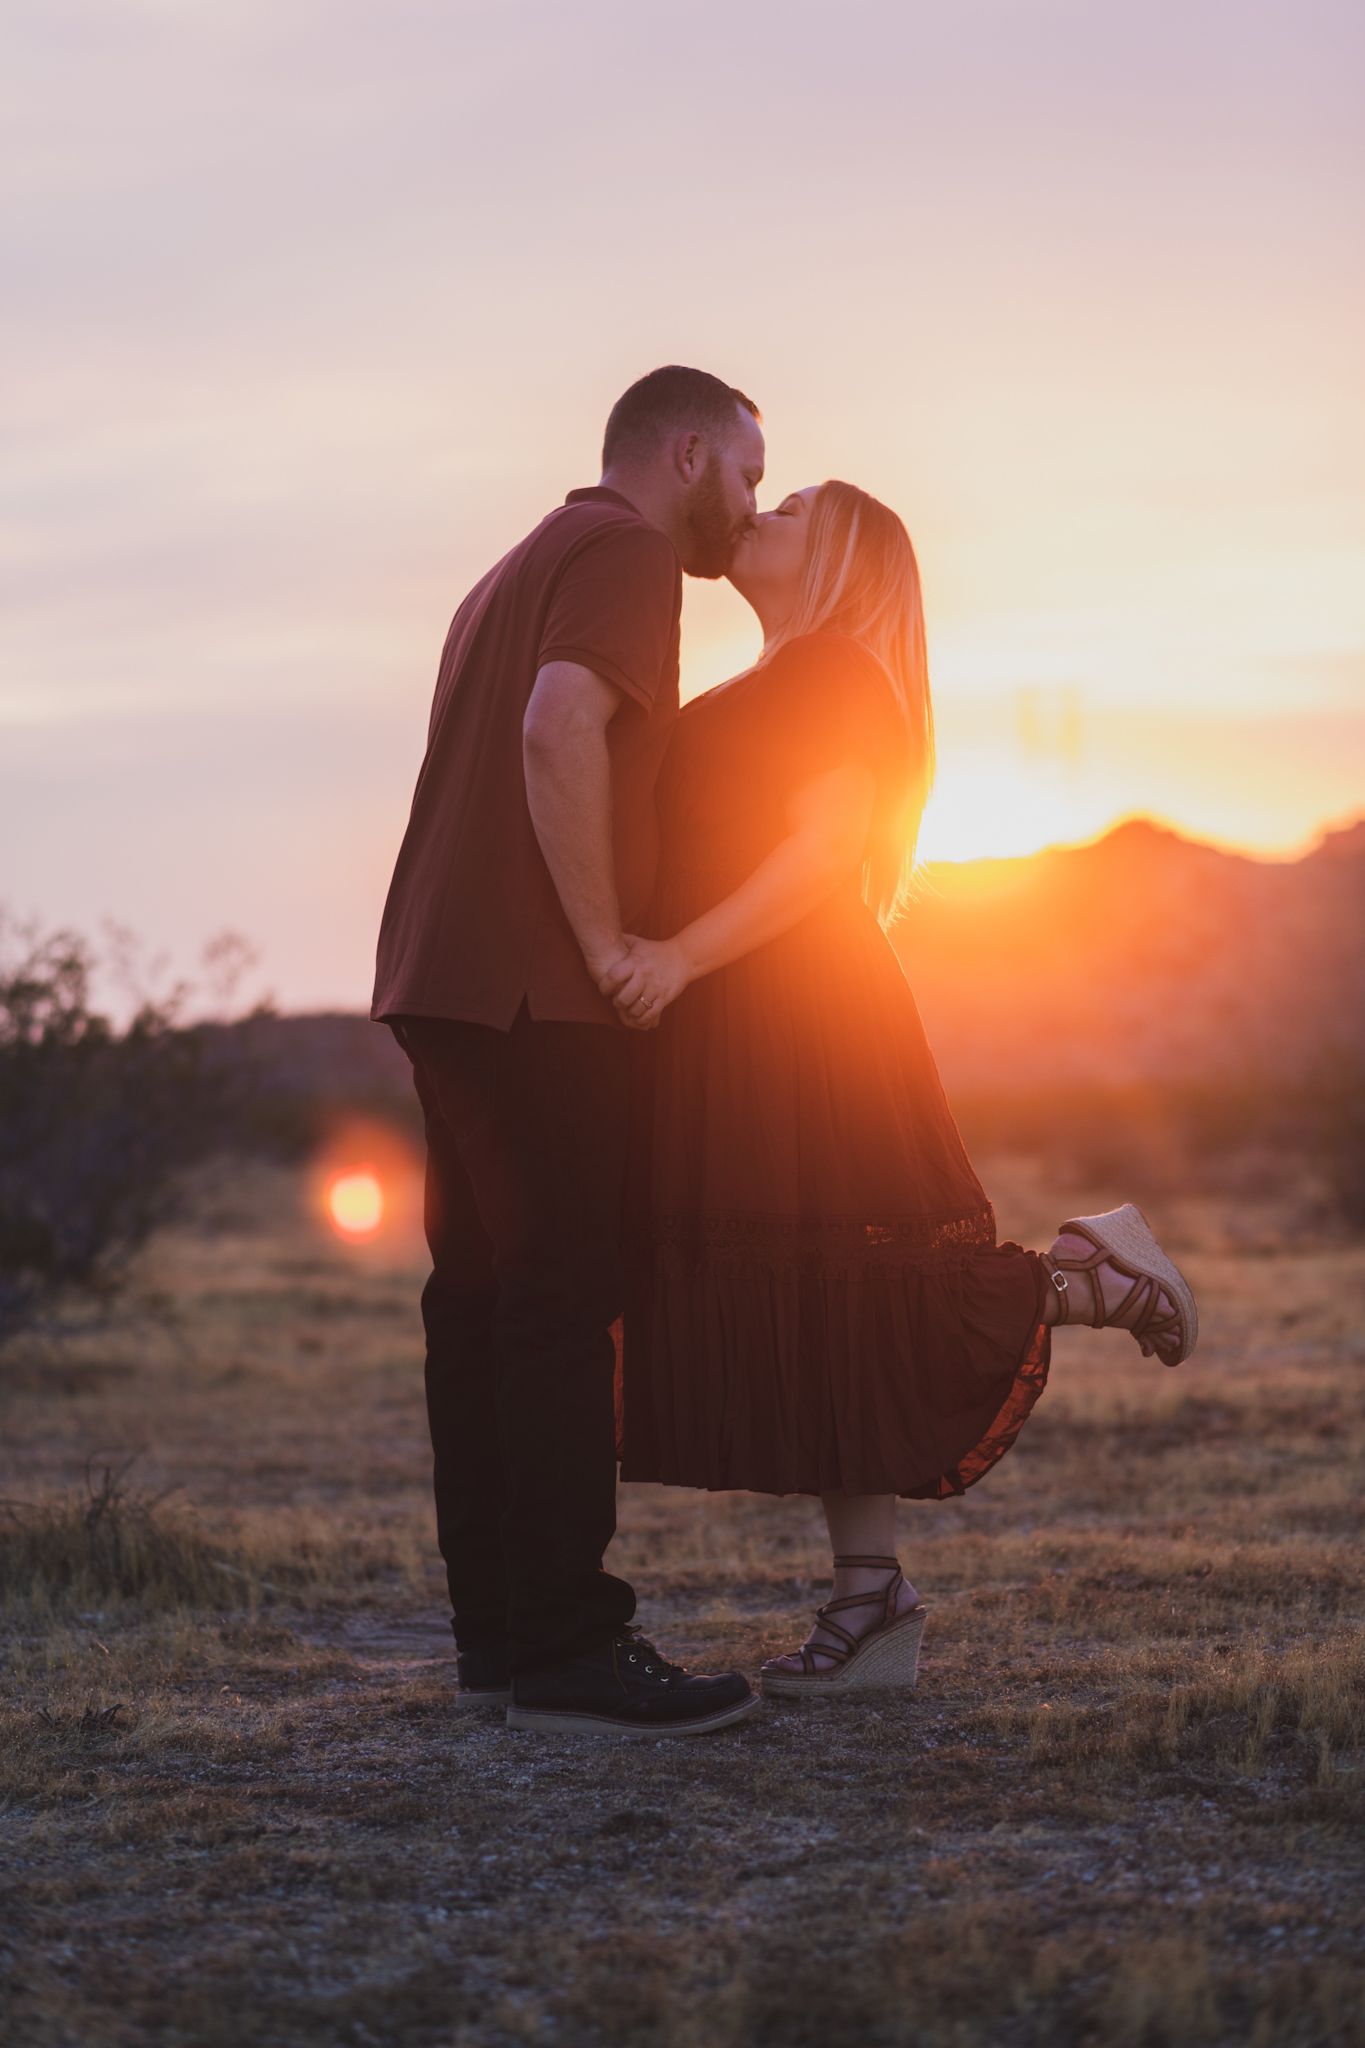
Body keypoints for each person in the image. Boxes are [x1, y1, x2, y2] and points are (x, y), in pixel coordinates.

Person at [606, 480, 1198, 1699]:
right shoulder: (764, 679)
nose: (760, 514)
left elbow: (825, 856)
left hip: (802, 1019)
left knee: (866, 1280)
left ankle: (1085, 1277)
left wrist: (675, 958)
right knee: (831, 1292)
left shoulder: (835, 670)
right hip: (742, 1020)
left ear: (840, 563)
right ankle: (869, 1600)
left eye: (795, 508)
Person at [371, 367, 769, 1737]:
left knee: (478, 1308)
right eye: (749, 476)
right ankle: (566, 1650)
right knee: (560, 1299)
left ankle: (497, 1640)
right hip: (541, 996)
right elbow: (556, 729)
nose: (750, 507)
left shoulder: (504, 569)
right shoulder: (623, 546)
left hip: (439, 977)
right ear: (688, 452)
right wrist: (605, 942)